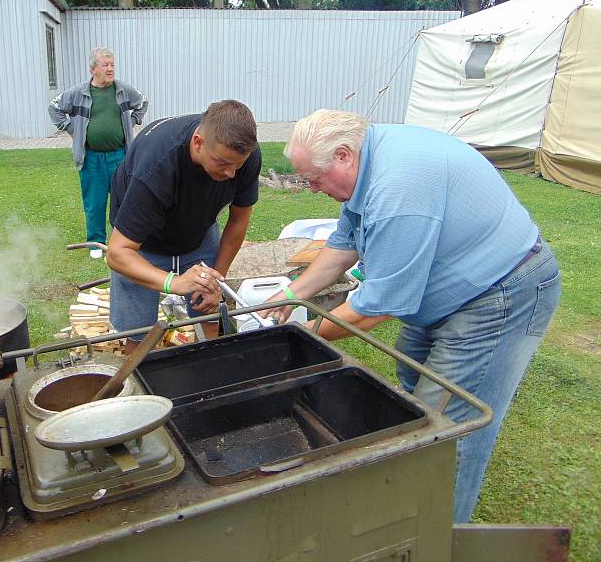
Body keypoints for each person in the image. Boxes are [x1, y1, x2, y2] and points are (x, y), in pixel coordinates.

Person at [264, 109, 561, 522]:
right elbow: (343, 243)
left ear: (345, 155)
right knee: (416, 392)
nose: (313, 189)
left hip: (499, 296)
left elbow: (376, 309)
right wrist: (289, 294)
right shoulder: (366, 164)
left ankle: (432, 535)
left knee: (447, 427)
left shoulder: (397, 192)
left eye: (314, 179)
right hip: (451, 296)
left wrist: (299, 334)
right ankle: (412, 495)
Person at [106, 100, 262, 352]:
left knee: (208, 312)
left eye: (238, 165)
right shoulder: (156, 165)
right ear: (198, 142)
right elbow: (118, 253)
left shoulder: (244, 154)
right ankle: (140, 382)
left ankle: (209, 370)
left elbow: (239, 219)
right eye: (222, 163)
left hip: (199, 230)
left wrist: (217, 282)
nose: (232, 173)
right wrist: (174, 283)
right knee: (138, 333)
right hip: (143, 241)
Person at [49, 47, 148, 258]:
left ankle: (123, 242)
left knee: (123, 200)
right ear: (93, 69)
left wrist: (131, 122)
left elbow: (142, 103)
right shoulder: (78, 93)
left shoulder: (122, 90)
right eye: (106, 65)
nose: (111, 69)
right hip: (91, 158)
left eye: (112, 65)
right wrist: (71, 129)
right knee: (94, 203)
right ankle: (96, 245)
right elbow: (54, 107)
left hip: (120, 157)